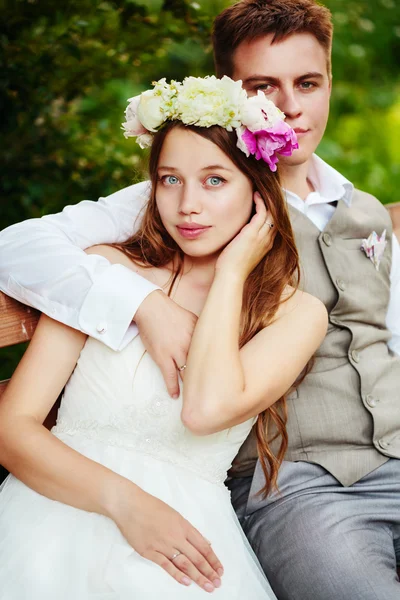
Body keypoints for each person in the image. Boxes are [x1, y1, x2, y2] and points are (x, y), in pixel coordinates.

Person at [0, 0, 399, 597]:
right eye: (265, 86)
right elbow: (20, 252)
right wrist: (144, 303)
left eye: (308, 82)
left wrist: (234, 266)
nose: (190, 202)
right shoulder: (131, 238)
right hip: (274, 486)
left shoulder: (342, 234)